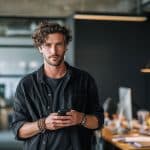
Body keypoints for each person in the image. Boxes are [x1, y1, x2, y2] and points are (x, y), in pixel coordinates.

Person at [11, 21, 104, 150]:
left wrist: (81, 118)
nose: (53, 51)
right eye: (48, 45)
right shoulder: (26, 85)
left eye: (58, 44)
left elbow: (98, 122)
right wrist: (43, 124)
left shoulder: (84, 79)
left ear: (66, 46)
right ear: (40, 48)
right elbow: (18, 130)